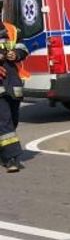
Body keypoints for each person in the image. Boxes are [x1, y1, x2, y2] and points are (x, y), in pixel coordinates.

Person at [0, 16, 29, 173]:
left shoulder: (12, 29)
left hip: (13, 82)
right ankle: (12, 158)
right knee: (4, 122)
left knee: (13, 119)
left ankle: (4, 151)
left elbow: (23, 48)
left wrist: (16, 54)